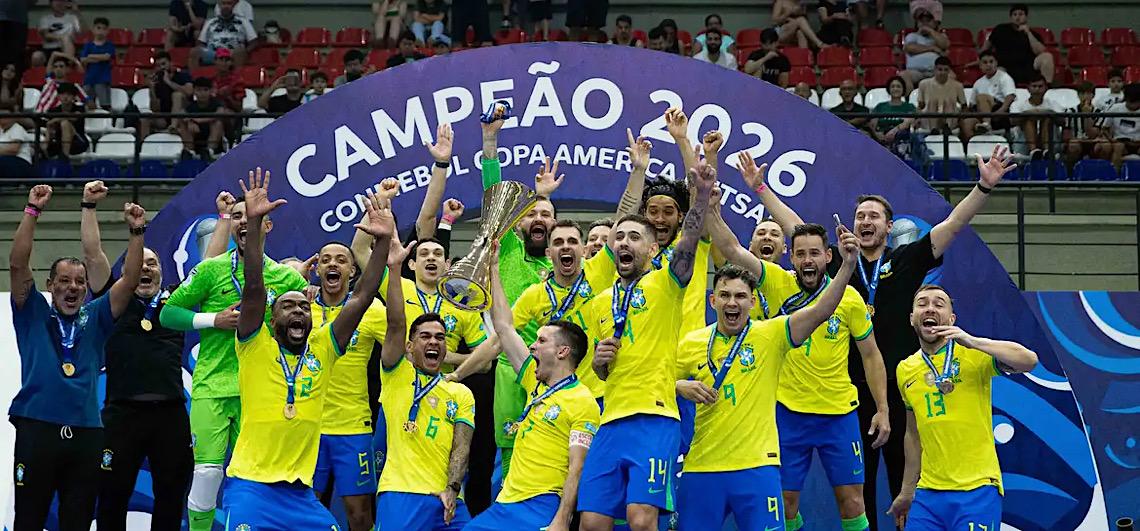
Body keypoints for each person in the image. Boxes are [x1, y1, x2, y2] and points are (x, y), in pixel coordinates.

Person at [740, 145, 1019, 531]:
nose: (865, 221)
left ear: (890, 227)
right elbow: (795, 228)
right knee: (859, 491)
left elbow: (952, 226)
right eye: (860, 216)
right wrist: (761, 190)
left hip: (905, 387)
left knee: (907, 483)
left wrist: (983, 187)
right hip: (850, 392)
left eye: (874, 216)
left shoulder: (907, 259)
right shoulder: (839, 261)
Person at [220, 169, 387, 529]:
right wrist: (254, 222)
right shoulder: (254, 343)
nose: (297, 310)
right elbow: (253, 288)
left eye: (302, 307)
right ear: (271, 316)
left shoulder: (323, 347)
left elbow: (361, 298)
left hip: (299, 495)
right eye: (288, 306)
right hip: (252, 488)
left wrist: (385, 243)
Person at [708, 208, 892, 531]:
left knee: (852, 503)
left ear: (827, 256)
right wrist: (709, 206)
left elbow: (872, 355)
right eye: (801, 254)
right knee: (786, 503)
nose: (808, 261)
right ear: (790, 257)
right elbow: (733, 249)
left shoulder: (848, 298)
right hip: (788, 413)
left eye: (815, 254)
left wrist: (882, 409)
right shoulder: (776, 281)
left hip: (839, 414)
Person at [673, 220, 860, 529]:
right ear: (713, 300)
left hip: (758, 468)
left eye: (740, 297)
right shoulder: (691, 342)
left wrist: (847, 266)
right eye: (725, 295)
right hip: (701, 468)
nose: (732, 302)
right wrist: (680, 385)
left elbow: (821, 310)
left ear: (752, 301)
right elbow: (657, 383)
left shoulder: (771, 334)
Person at [159, 169, 310, 531]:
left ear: (267, 227)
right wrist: (213, 320)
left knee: (254, 476)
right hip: (212, 386)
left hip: (261, 391)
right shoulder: (210, 271)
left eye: (252, 217)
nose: (245, 222)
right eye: (238, 216)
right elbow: (167, 313)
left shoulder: (287, 279)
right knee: (208, 472)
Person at [576, 159, 716, 531]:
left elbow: (687, 241)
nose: (624, 243)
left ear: (653, 249)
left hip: (655, 419)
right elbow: (600, 370)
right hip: (609, 420)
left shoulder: (666, 286)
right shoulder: (599, 303)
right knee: (591, 522)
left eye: (635, 237)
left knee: (641, 519)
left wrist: (700, 196)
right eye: (619, 237)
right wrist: (598, 362)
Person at [9, 184, 146, 531]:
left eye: (80, 283)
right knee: (28, 517)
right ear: (50, 284)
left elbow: (130, 280)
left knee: (79, 520)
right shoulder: (32, 311)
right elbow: (16, 262)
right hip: (37, 426)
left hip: (86, 434)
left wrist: (136, 231)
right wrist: (31, 211)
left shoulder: (97, 316)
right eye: (64, 281)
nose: (73, 288)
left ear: (86, 288)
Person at [75, 182, 193, 531]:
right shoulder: (113, 300)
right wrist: (88, 206)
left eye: (153, 264)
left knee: (172, 499)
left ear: (162, 272)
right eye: (138, 263)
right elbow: (92, 254)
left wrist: (222, 218)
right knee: (112, 496)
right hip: (121, 414)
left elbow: (211, 263)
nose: (145, 268)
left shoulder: (178, 298)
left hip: (170, 415)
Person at [465, 247, 600, 530]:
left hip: (542, 506)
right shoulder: (533, 381)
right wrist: (493, 268)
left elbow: (577, 468)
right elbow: (504, 327)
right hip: (506, 503)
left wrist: (562, 521)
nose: (532, 346)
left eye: (540, 341)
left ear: (563, 351)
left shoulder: (582, 401)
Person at [886, 285, 1038, 530]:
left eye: (939, 303)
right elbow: (913, 435)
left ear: (951, 318)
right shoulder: (905, 369)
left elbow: (1029, 360)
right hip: (928, 494)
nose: (930, 308)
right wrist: (906, 491)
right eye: (922, 303)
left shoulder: (973, 355)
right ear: (912, 318)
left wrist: (972, 340)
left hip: (976, 490)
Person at [374, 240, 478, 530]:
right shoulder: (395, 374)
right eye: (425, 336)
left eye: (440, 337)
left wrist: (453, 488)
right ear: (409, 346)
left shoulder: (460, 392)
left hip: (448, 499)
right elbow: (395, 325)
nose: (434, 341)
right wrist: (394, 269)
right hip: (401, 494)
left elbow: (461, 448)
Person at [308, 240, 387, 531]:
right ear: (316, 269)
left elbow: (401, 347)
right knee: (307, 507)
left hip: (353, 426)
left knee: (359, 514)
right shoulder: (301, 309)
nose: (332, 264)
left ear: (352, 271)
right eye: (325, 259)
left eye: (341, 260)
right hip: (308, 426)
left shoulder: (371, 310)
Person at [982, 3, 1053, 84]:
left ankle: (1046, 87)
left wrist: (1028, 33)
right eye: (1014, 14)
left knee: (1047, 57)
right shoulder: (1000, 29)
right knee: (997, 70)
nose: (1017, 17)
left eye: (1021, 14)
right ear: (1011, 17)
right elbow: (986, 48)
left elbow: (1040, 51)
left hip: (1028, 67)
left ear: (1026, 17)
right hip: (1004, 67)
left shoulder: (1033, 34)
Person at [140, 50, 193, 139]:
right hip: (165, 116)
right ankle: (142, 147)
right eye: (158, 66)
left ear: (170, 63)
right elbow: (155, 108)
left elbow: (189, 92)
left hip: (183, 115)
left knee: (177, 95)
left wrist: (168, 82)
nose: (161, 67)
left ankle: (173, 126)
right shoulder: (157, 81)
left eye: (163, 64)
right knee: (145, 118)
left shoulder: (182, 75)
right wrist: (151, 88)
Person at [190, 0, 257, 68]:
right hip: (213, 53)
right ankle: (194, 77)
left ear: (233, 5)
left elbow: (254, 41)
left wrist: (245, 51)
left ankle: (237, 77)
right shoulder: (210, 22)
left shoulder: (243, 21)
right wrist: (203, 49)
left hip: (233, 53)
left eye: (229, 4)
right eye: (223, 4)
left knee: (240, 52)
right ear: (219, 5)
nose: (226, 6)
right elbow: (201, 42)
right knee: (195, 51)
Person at [1010, 74, 1064, 158]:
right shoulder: (1018, 105)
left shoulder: (1053, 104)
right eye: (1034, 86)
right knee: (1027, 120)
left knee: (1048, 119)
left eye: (1040, 86)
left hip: (1051, 141)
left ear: (1046, 88)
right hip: (1024, 142)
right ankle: (1034, 152)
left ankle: (1047, 151)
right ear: (1028, 88)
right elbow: (1012, 121)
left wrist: (1048, 113)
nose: (1037, 89)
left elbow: (1062, 121)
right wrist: (1029, 114)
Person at [965, 51, 1016, 134]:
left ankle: (986, 124)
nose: (988, 65)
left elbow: (1010, 96)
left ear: (996, 63)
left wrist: (1000, 111)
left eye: (991, 62)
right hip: (981, 113)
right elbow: (972, 104)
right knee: (967, 123)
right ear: (980, 65)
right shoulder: (978, 82)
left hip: (999, 112)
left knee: (982, 97)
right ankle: (970, 146)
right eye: (985, 62)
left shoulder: (1004, 77)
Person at [1064, 82, 1112, 167]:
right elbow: (1066, 135)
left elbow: (1093, 134)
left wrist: (1087, 116)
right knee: (1073, 146)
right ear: (1078, 95)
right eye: (1082, 93)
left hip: (1093, 142)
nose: (1085, 96)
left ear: (1093, 96)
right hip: (1077, 141)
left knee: (1105, 146)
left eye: (1088, 93)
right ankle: (1070, 173)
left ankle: (1100, 171)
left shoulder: (1099, 113)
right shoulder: (1070, 112)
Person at [916, 57, 968, 137]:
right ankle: (933, 129)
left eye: (946, 70)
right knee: (933, 102)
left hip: (950, 118)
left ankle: (947, 128)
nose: (943, 73)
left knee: (948, 103)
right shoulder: (924, 84)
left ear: (949, 71)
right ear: (935, 69)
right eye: (940, 69)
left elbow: (964, 106)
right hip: (929, 119)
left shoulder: (958, 86)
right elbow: (920, 106)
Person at [178, 77, 224, 160]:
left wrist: (198, 120)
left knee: (217, 123)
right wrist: (190, 122)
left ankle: (209, 151)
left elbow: (220, 114)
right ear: (194, 91)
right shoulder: (192, 106)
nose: (202, 93)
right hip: (196, 138)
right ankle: (189, 150)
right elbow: (181, 114)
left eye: (205, 90)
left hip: (214, 141)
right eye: (199, 90)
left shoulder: (216, 103)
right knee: (184, 124)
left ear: (210, 91)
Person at [901, 10, 949, 91]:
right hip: (916, 71)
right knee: (904, 75)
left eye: (928, 21)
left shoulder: (940, 36)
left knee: (951, 77)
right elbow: (910, 48)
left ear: (935, 23)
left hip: (937, 71)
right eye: (922, 21)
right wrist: (932, 48)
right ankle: (909, 101)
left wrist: (931, 31)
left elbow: (944, 44)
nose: (924, 24)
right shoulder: (912, 36)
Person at [870, 76, 917, 159]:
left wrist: (894, 131)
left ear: (903, 89)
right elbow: (872, 126)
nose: (895, 89)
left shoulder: (909, 107)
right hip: (882, 139)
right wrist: (877, 135)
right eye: (893, 86)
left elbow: (908, 122)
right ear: (889, 89)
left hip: (901, 139)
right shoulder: (880, 106)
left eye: (898, 86)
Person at [42, 82, 89, 160]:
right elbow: (49, 124)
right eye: (62, 94)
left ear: (74, 97)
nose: (65, 97)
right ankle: (44, 152)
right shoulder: (53, 111)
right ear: (58, 96)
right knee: (49, 128)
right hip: (59, 142)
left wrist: (57, 119)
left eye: (69, 94)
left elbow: (74, 117)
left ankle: (64, 157)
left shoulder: (80, 108)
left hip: (78, 142)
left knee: (65, 123)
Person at [33, 0, 83, 68]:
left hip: (66, 49)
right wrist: (61, 37)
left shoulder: (73, 18)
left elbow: (83, 32)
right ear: (51, 3)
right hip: (49, 49)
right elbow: (46, 35)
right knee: (36, 56)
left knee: (66, 39)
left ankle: (68, 66)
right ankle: (38, 77)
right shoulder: (45, 19)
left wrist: (77, 12)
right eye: (56, 0)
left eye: (62, 0)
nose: (59, 3)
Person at [79, 17, 114, 110]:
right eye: (98, 28)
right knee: (87, 105)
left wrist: (90, 56)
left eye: (104, 28)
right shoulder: (88, 45)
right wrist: (99, 58)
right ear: (93, 29)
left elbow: (107, 57)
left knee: (105, 105)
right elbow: (83, 60)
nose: (101, 31)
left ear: (107, 31)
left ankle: (107, 123)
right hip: (88, 79)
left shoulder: (109, 45)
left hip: (102, 79)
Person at [1104, 83, 1140, 169]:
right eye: (1130, 102)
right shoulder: (1115, 108)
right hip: (1120, 141)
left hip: (1138, 143)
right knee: (1118, 147)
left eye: (1135, 102)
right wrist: (1112, 140)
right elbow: (1104, 129)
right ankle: (1116, 177)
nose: (1132, 105)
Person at [0, 105, 33, 177]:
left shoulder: (17, 128)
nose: (2, 120)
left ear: (13, 117)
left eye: (6, 117)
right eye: (1, 117)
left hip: (20, 162)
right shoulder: (1, 131)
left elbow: (14, 149)